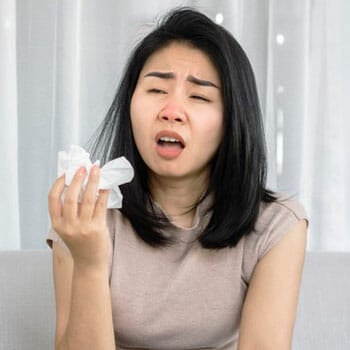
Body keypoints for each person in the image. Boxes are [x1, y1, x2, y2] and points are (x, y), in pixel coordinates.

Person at [47, 7, 308, 350]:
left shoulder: (277, 225)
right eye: (156, 90)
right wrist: (90, 262)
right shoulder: (84, 214)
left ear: (233, 120)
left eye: (199, 96)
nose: (171, 111)